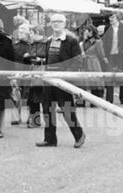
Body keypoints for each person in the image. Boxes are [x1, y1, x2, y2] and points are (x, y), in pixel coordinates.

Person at [35, 13, 85, 148]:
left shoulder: (71, 40)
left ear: (64, 24)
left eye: (59, 22)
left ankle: (79, 135)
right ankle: (50, 139)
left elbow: (78, 61)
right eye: (53, 22)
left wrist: (64, 76)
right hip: (49, 80)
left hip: (63, 81)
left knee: (67, 110)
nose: (56, 24)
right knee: (47, 110)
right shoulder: (49, 40)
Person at [11, 23, 41, 127]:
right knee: (15, 94)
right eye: (19, 31)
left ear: (28, 33)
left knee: (30, 95)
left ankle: (31, 117)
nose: (20, 33)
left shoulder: (31, 46)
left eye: (23, 31)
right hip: (17, 70)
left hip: (29, 71)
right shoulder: (14, 45)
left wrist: (29, 57)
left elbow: (34, 58)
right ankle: (16, 116)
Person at [101, 14, 123, 105]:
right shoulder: (107, 28)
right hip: (110, 55)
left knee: (122, 76)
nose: (110, 20)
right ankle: (109, 99)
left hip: (121, 55)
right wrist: (105, 55)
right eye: (109, 18)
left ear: (117, 18)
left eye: (112, 18)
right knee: (109, 76)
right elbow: (104, 42)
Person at [79, 24, 108, 101]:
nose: (84, 32)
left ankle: (95, 101)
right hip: (85, 63)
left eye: (86, 31)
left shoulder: (97, 42)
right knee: (84, 82)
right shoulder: (83, 42)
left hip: (94, 63)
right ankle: (81, 101)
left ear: (91, 31)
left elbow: (101, 54)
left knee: (95, 81)